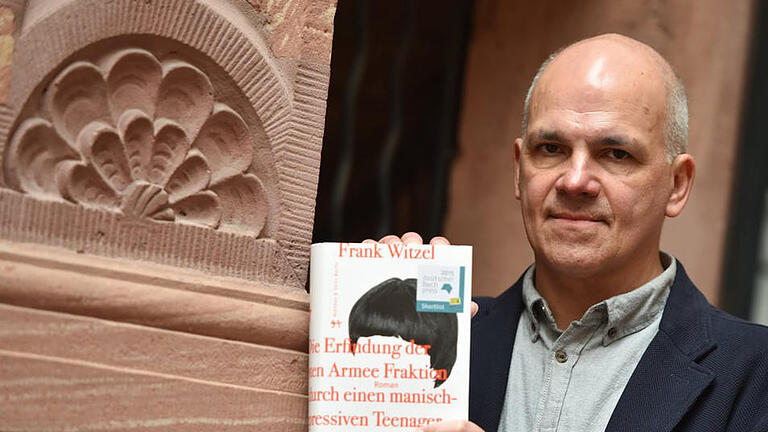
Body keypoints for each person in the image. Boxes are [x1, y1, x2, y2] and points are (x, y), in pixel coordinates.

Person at [365, 33, 768, 431]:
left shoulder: (753, 375)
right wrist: (371, 350)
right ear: (519, 170)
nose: (574, 181)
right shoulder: (440, 344)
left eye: (616, 154)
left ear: (677, 184)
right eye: (552, 149)